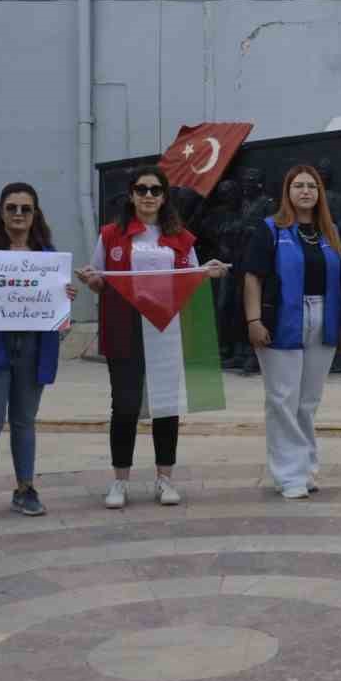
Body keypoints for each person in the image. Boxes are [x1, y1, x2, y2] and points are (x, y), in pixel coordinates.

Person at [75, 166, 228, 510]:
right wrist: (89, 279)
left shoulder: (181, 238)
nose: (148, 196)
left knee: (165, 405)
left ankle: (165, 478)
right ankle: (120, 481)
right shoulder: (111, 235)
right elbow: (101, 279)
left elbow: (193, 278)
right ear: (131, 194)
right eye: (141, 189)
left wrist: (209, 272)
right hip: (124, 327)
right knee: (125, 405)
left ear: (164, 196)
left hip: (167, 328)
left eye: (155, 190)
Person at [0, 183, 79, 522]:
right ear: (1, 212)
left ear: (35, 214)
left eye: (26, 208)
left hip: (34, 348)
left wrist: (64, 298)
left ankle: (25, 488)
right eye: (12, 208)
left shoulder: (49, 258)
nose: (19, 214)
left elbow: (59, 312)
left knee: (24, 422)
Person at [243, 165, 341, 500]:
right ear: (287, 192)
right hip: (282, 321)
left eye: (312, 186)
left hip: (323, 316)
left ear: (319, 193)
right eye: (298, 186)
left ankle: (306, 469)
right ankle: (288, 475)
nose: (305, 191)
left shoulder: (329, 231)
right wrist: (254, 320)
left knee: (307, 402)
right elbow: (252, 277)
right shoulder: (271, 229)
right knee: (282, 400)